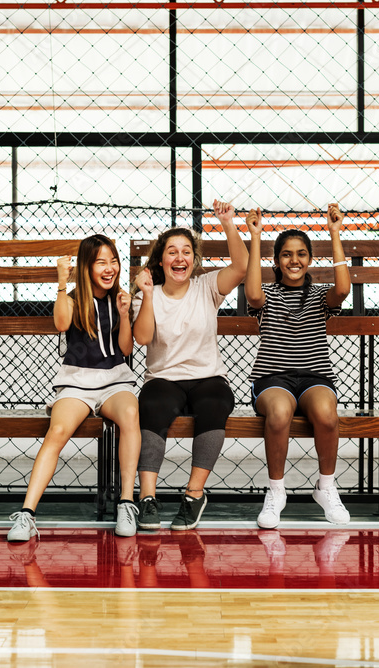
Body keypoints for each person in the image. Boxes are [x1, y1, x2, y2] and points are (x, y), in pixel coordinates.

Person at [7, 235, 140, 542]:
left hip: (115, 379)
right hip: (77, 381)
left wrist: (124, 315)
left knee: (131, 415)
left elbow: (126, 348)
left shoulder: (119, 298)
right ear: (86, 267)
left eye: (113, 261)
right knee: (57, 431)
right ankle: (26, 515)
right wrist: (61, 282)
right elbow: (61, 324)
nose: (110, 269)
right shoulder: (71, 298)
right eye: (101, 262)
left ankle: (126, 503)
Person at [131, 200, 248, 531]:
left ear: (194, 261)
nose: (179, 257)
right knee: (151, 405)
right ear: (162, 260)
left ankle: (194, 494)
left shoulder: (206, 287)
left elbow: (240, 267)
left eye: (186, 252)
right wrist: (149, 296)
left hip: (207, 377)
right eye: (172, 252)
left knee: (216, 404)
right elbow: (141, 338)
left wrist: (227, 222)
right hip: (164, 378)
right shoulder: (147, 293)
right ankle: (148, 498)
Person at [244, 205, 351, 528]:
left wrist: (334, 234)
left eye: (301, 254)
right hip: (273, 379)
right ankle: (276, 491)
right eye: (287, 255)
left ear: (309, 260)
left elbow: (343, 289)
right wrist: (255, 236)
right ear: (276, 261)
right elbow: (250, 293)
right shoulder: (268, 295)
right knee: (278, 414)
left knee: (326, 414)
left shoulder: (319, 296)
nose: (294, 260)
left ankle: (326, 486)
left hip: (314, 377)